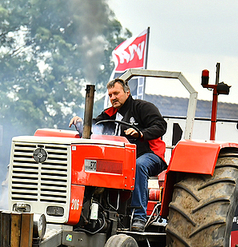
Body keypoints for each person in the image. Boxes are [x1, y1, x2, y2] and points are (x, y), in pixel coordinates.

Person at [69, 79, 167, 232]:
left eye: (116, 93)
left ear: (127, 92)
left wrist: (141, 133)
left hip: (150, 155)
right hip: (121, 160)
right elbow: (93, 129)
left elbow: (160, 126)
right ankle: (88, 211)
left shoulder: (142, 108)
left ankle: (139, 216)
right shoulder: (109, 114)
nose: (113, 97)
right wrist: (81, 123)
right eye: (110, 95)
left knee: (139, 165)